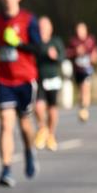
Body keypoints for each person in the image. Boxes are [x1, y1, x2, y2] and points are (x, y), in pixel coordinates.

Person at [0, 0, 41, 187]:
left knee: (25, 125)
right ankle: (6, 169)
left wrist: (19, 43)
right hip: (3, 79)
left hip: (25, 80)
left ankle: (29, 151)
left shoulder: (29, 20)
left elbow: (38, 48)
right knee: (5, 124)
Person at [33, 16, 66, 151]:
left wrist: (55, 56)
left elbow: (62, 57)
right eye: (40, 27)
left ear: (50, 28)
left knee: (52, 108)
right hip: (39, 79)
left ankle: (51, 135)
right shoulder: (36, 43)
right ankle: (42, 128)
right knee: (38, 107)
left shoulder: (55, 41)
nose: (42, 30)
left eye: (45, 27)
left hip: (52, 79)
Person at [66, 22, 97, 123]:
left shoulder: (90, 40)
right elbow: (67, 53)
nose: (80, 32)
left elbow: (95, 52)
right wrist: (76, 51)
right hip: (77, 70)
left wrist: (95, 57)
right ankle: (82, 107)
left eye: (82, 30)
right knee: (81, 91)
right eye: (78, 30)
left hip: (87, 69)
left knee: (86, 88)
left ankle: (84, 109)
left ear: (86, 30)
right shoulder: (73, 41)